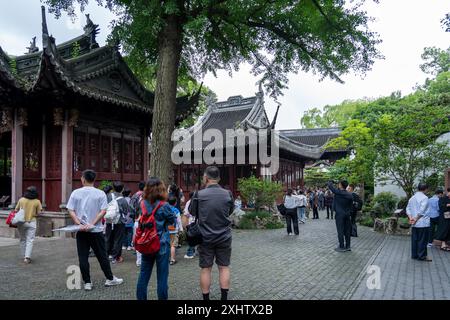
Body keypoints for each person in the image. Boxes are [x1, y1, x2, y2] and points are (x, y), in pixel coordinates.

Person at [67, 169, 123, 291]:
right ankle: (110, 278)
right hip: (96, 230)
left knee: (83, 256)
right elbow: (103, 211)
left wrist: (78, 223)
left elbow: (70, 209)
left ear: (83, 179)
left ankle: (87, 282)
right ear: (94, 180)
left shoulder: (75, 193)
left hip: (81, 230)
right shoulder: (100, 193)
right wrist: (92, 224)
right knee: (102, 255)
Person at [189, 166, 234, 301]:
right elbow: (229, 211)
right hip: (224, 236)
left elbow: (192, 212)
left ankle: (206, 299)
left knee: (206, 269)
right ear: (218, 178)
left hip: (205, 237)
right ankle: (224, 299)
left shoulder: (199, 194)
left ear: (206, 178)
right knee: (224, 267)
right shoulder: (228, 194)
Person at [136, 177, 176, 300]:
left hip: (146, 242)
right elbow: (172, 222)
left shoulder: (142, 203)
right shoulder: (165, 205)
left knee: (144, 274)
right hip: (162, 244)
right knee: (162, 277)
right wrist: (172, 238)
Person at [15, 186, 42, 264]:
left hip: (21, 223)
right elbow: (39, 213)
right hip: (32, 222)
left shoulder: (21, 200)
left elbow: (16, 210)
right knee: (30, 240)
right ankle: (27, 257)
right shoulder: (37, 201)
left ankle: (24, 255)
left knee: (22, 239)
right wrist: (33, 213)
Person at [105, 181, 130, 264]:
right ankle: (115, 257)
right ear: (122, 189)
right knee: (118, 239)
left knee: (108, 238)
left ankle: (107, 254)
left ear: (113, 188)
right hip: (119, 222)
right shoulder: (123, 200)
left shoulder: (108, 196)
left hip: (109, 220)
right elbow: (126, 211)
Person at [406, 183, 432, 262]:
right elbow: (422, 210)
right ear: (426, 189)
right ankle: (422, 256)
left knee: (415, 239)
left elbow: (408, 208)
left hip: (414, 223)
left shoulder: (412, 198)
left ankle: (415, 255)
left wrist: (411, 218)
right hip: (423, 223)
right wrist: (416, 219)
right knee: (423, 240)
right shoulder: (425, 198)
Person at [327, 180, 353, 252]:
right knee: (347, 231)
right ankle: (348, 246)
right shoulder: (350, 195)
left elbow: (330, 186)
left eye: (339, 184)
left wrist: (331, 181)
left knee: (340, 230)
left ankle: (341, 246)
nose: (338, 185)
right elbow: (351, 207)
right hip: (347, 215)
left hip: (339, 215)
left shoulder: (338, 193)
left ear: (341, 185)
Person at [131, 182, 145, 267]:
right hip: (143, 221)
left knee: (137, 239)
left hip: (136, 220)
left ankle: (139, 260)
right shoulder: (146, 197)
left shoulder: (134, 196)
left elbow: (131, 207)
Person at [168, 196, 183, 265]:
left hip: (166, 230)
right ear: (175, 203)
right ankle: (172, 259)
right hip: (174, 230)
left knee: (167, 245)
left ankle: (166, 259)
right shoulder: (176, 210)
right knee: (173, 245)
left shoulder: (166, 209)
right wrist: (181, 229)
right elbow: (179, 221)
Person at [435, 187, 450, 252]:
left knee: (448, 230)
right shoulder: (442, 198)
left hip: (449, 218)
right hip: (444, 218)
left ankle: (446, 244)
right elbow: (441, 207)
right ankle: (443, 245)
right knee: (444, 230)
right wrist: (448, 205)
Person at [183, 192, 196, 259]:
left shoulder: (189, 202)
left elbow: (186, 213)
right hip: (198, 222)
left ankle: (190, 253)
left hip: (191, 222)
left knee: (191, 238)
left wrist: (185, 223)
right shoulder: (198, 201)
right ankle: (196, 251)